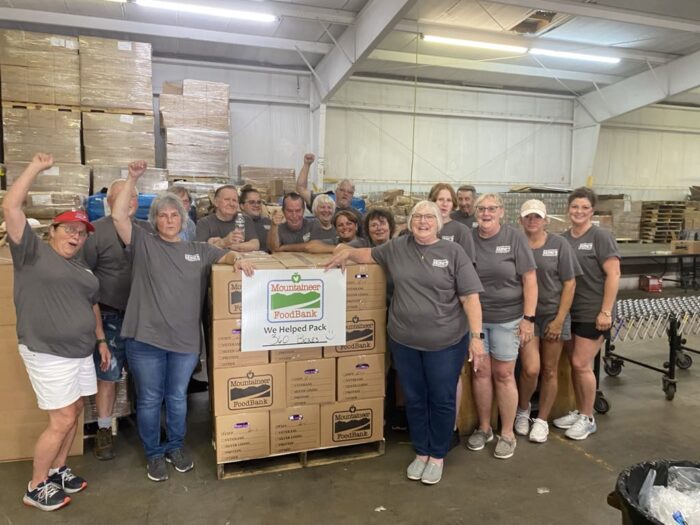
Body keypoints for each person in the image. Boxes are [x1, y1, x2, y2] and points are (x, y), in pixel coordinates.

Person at [111, 161, 254, 482]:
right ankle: (153, 454)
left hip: (185, 343)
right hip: (145, 340)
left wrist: (238, 257)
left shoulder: (198, 250)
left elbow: (226, 255)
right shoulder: (144, 245)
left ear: (183, 218)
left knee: (176, 398)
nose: (169, 220)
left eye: (175, 215)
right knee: (149, 399)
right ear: (154, 220)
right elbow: (119, 216)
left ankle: (175, 447)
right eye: (162, 215)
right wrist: (133, 179)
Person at [326, 201, 484, 485]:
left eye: (428, 217)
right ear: (409, 221)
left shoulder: (453, 252)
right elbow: (368, 254)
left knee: (441, 398)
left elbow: (470, 297)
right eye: (417, 216)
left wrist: (476, 337)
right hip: (404, 340)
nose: (422, 221)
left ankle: (437, 455)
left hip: (445, 343)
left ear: (438, 222)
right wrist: (346, 254)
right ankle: (421, 451)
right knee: (414, 397)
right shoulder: (397, 248)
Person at [3, 153, 110, 511]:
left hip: (81, 351)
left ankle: (58, 469)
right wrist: (35, 167)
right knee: (62, 417)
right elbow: (11, 207)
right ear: (52, 231)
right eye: (69, 230)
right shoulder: (31, 253)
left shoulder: (82, 271)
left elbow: (92, 306)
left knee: (76, 408)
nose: (76, 237)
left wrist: (101, 340)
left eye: (81, 233)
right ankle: (36, 486)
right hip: (47, 350)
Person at [82, 179, 150, 460]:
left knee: (147, 376)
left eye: (133, 196)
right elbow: (84, 277)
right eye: (123, 196)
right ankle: (103, 430)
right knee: (108, 376)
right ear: (110, 201)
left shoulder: (147, 230)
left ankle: (146, 427)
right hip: (109, 315)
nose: (130, 201)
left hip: (144, 317)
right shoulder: (94, 232)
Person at [467, 193, 537, 460]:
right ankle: (484, 428)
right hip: (476, 320)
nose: (486, 213)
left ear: (501, 213)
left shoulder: (514, 238)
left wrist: (528, 319)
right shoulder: (469, 239)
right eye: (481, 209)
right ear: (476, 213)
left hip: (508, 319)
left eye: (491, 209)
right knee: (480, 373)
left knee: (504, 375)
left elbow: (530, 280)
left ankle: (506, 433)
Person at [555, 187, 620, 440]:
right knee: (574, 364)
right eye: (575, 207)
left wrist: (606, 311)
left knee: (581, 364)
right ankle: (580, 411)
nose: (579, 211)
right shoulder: (563, 238)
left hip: (593, 311)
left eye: (584, 207)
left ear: (592, 211)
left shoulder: (600, 237)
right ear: (568, 209)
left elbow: (614, 274)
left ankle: (588, 418)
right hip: (570, 311)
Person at [516, 199, 581, 443]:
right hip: (527, 318)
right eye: (528, 217)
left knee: (550, 370)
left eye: (537, 217)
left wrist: (559, 319)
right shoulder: (517, 243)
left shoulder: (559, 245)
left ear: (546, 220)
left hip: (554, 315)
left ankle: (541, 420)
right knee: (531, 369)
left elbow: (569, 283)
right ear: (520, 220)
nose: (532, 221)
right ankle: (523, 411)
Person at [428, 182, 475, 447]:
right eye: (440, 199)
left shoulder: (460, 231)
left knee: (451, 373)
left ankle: (452, 425)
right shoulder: (424, 229)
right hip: (427, 315)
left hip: (453, 313)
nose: (445, 204)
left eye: (448, 200)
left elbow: (468, 272)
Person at [295, 153, 363, 227]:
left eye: (349, 192)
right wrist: (307, 165)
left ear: (352, 195)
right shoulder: (322, 204)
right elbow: (300, 188)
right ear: (336, 191)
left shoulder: (358, 215)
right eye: (342, 190)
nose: (345, 194)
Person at [195, 185, 259, 251]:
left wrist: (228, 245)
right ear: (216, 202)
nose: (231, 204)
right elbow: (200, 251)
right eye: (227, 199)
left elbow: (255, 244)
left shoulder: (245, 219)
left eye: (234, 200)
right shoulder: (204, 223)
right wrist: (224, 242)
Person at [239, 185, 271, 252]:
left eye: (259, 202)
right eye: (251, 202)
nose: (256, 205)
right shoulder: (237, 223)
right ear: (242, 206)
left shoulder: (268, 222)